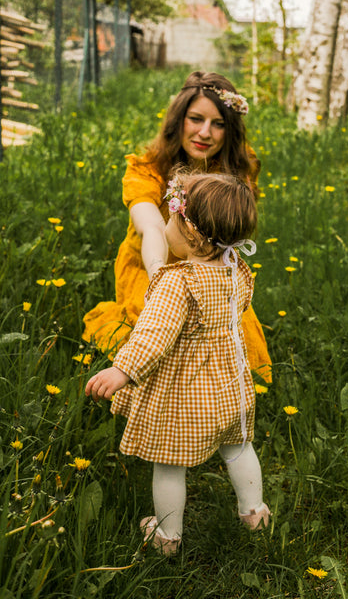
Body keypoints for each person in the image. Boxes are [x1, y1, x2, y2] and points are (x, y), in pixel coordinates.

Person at [85, 171, 271, 555]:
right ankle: (254, 512)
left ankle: (166, 536)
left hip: (185, 397)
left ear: (191, 232)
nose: (166, 224)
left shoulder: (178, 282)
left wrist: (122, 370)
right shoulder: (236, 270)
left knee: (169, 465)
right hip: (230, 387)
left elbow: (154, 335)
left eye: (170, 218)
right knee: (238, 447)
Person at [82, 70, 272, 383]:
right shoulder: (148, 167)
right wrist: (161, 278)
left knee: (235, 349)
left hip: (210, 270)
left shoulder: (238, 167)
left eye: (219, 124)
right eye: (196, 119)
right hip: (151, 265)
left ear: (230, 130)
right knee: (156, 337)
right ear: (178, 119)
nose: (205, 133)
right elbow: (152, 226)